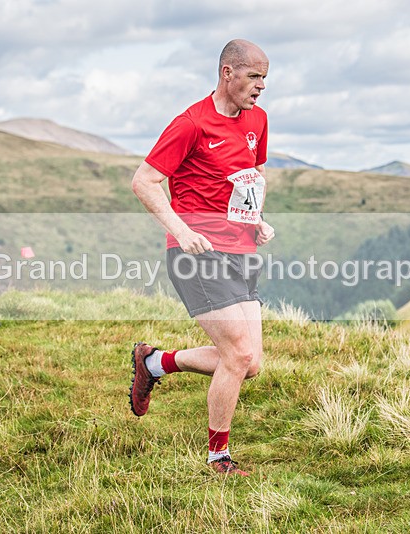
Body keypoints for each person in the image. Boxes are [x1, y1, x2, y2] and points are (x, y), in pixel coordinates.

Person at [129, 39, 275, 476]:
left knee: (251, 364)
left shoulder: (258, 120)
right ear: (227, 73)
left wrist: (258, 219)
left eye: (265, 78)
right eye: (254, 76)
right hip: (198, 253)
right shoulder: (191, 123)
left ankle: (153, 362)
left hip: (241, 250)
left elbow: (254, 174)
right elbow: (145, 181)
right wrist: (182, 230)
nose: (261, 87)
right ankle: (219, 458)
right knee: (237, 353)